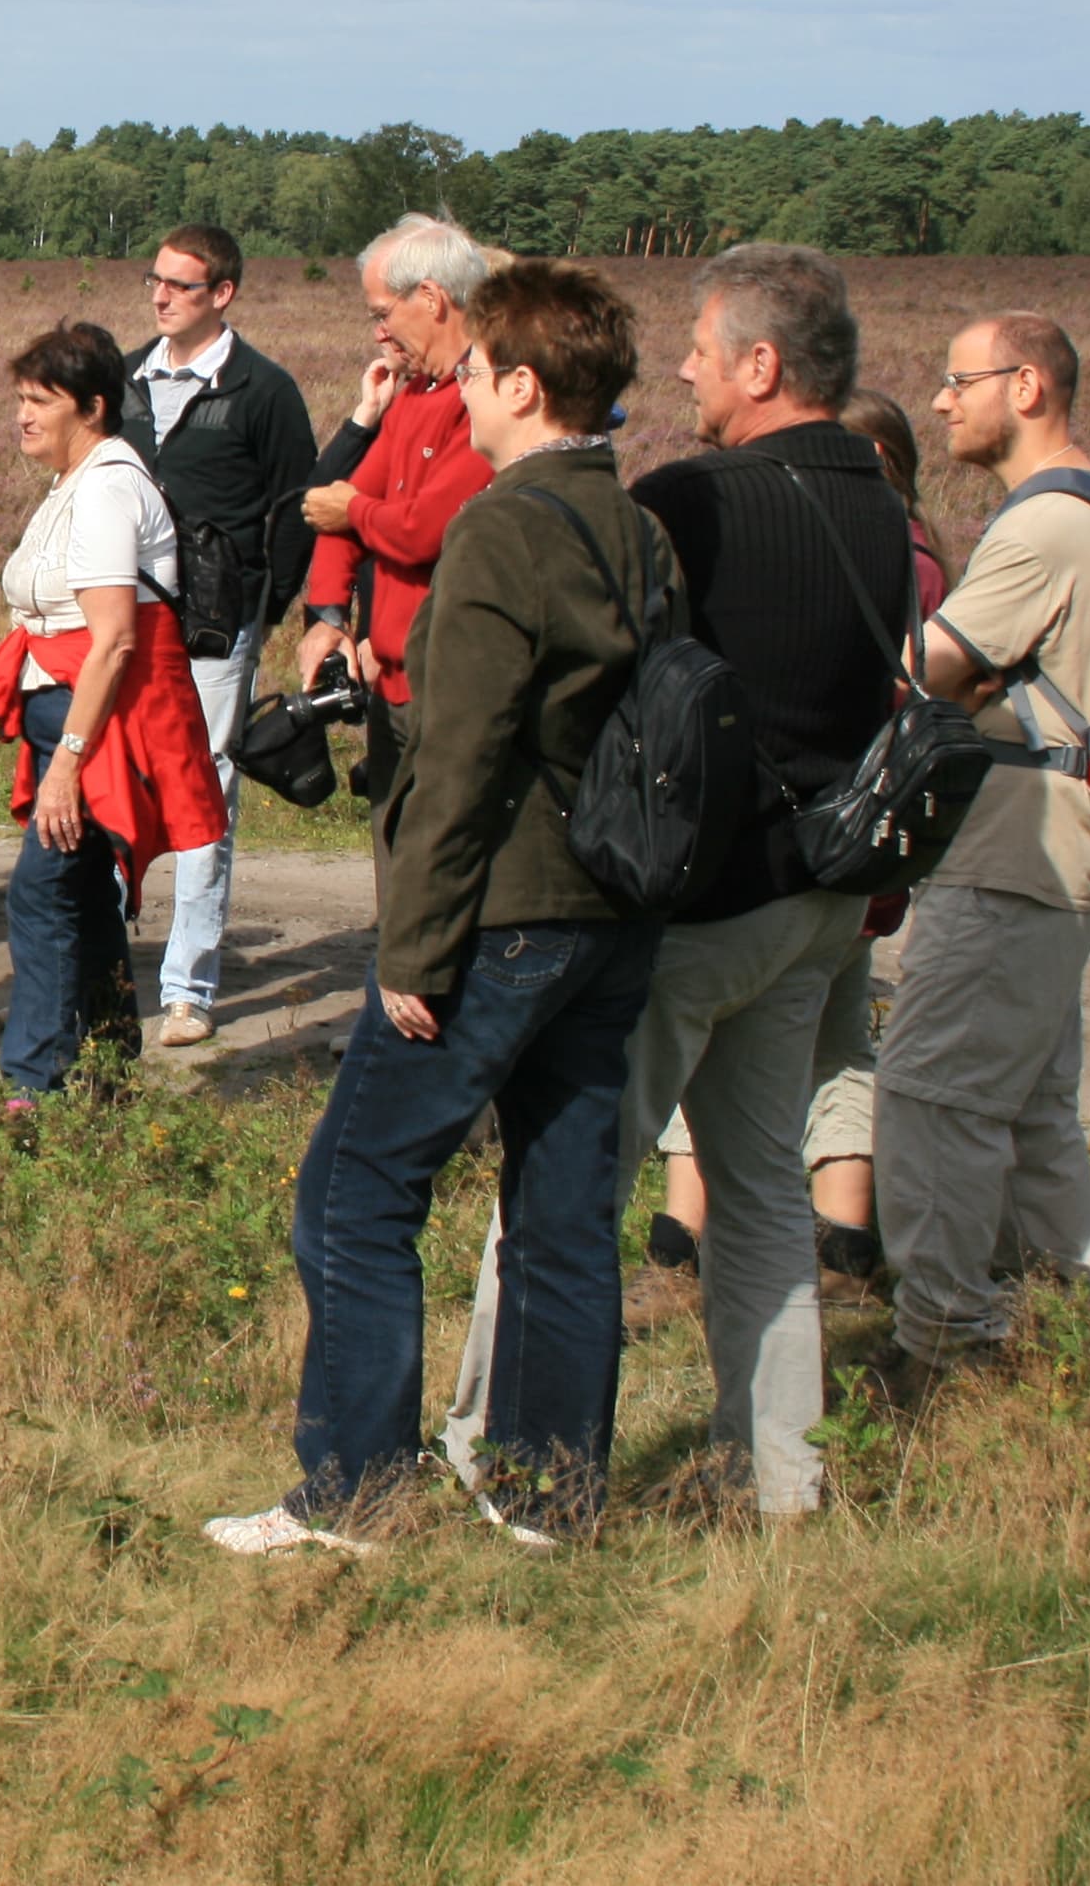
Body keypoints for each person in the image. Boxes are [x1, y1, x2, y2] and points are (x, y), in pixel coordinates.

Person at [445, 245, 910, 1521]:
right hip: (817, 906)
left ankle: (492, 1441)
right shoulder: (875, 492)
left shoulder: (694, 502)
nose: (686, 368)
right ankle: (782, 1474)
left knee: (559, 1184)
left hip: (698, 911)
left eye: (705, 347)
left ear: (764, 365)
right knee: (762, 1197)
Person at [208, 258, 663, 1559]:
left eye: (470, 371)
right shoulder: (636, 527)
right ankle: (548, 1497)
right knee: (564, 1211)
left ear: (520, 385)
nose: (455, 387)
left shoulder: (504, 530)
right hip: (611, 913)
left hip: (502, 914)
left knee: (354, 1197)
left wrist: (414, 947)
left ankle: (354, 1494)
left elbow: (463, 757)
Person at [870, 310, 1090, 1404]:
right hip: (1063, 843)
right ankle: (1059, 1316)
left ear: (1026, 387)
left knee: (932, 1088)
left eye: (958, 378)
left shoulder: (1046, 528)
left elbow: (928, 665)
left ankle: (940, 1343)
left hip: (1016, 853)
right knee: (1027, 1100)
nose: (941, 400)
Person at [650, 384, 947, 1291]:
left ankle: (674, 1245)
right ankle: (840, 1247)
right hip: (846, 857)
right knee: (822, 1067)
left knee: (693, 1059)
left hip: (758, 864)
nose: (690, 372)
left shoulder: (727, 512)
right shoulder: (904, 539)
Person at [0, 322, 226, 1103]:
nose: (22, 415)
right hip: (71, 721)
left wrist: (70, 765)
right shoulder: (74, 483)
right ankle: (111, 1069)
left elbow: (114, 642)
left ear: (93, 406)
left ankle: (34, 1087)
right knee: (80, 891)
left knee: (42, 893)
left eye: (39, 400)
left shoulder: (110, 485)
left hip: (101, 731)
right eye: (19, 398)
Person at [125, 224, 325, 1049]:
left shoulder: (263, 390)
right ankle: (102, 966)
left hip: (216, 629)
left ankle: (188, 990)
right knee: (113, 782)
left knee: (204, 796)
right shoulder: (129, 379)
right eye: (156, 281)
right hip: (124, 621)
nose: (162, 295)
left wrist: (261, 616)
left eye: (181, 284)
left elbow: (297, 513)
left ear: (223, 295)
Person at [296, 213, 496, 797]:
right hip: (395, 685)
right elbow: (337, 512)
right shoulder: (415, 395)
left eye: (384, 314)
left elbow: (420, 531)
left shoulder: (487, 395)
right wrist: (328, 619)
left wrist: (356, 512)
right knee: (401, 868)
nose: (380, 334)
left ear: (431, 298)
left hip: (452, 686)